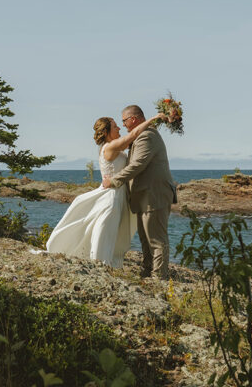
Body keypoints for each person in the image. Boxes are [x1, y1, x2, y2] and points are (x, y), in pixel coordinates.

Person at [45, 111, 167, 267]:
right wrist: (153, 118)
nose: (119, 129)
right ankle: (99, 261)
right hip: (112, 195)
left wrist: (161, 122)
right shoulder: (110, 147)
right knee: (105, 228)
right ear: (107, 132)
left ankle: (107, 261)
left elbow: (137, 138)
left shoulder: (113, 147)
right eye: (116, 127)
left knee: (111, 230)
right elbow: (133, 135)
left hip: (119, 193)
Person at [102, 104, 177, 280]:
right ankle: (147, 272)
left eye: (124, 121)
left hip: (154, 194)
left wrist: (113, 181)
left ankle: (159, 278)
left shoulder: (147, 136)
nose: (123, 125)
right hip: (145, 196)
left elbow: (137, 165)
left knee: (156, 240)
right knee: (145, 239)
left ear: (133, 119)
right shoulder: (141, 136)